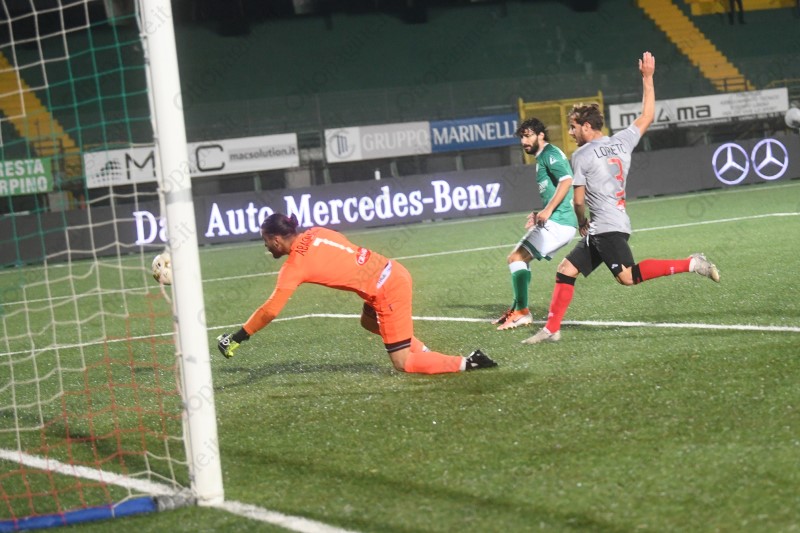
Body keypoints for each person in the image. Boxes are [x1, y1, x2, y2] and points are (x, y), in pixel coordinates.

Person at [522, 51, 720, 345]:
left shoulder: (581, 156)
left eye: (573, 127)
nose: (571, 132)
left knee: (627, 277)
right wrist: (648, 78)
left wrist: (581, 222)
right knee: (566, 270)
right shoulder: (621, 142)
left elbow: (578, 201)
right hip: (611, 223)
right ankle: (552, 329)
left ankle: (691, 263)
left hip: (605, 227)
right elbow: (647, 116)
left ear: (586, 126)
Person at [216, 213, 498, 373]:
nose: (266, 247)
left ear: (277, 239)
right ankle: (427, 352)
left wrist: (237, 337)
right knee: (369, 322)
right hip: (389, 271)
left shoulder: (294, 267)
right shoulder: (316, 232)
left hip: (387, 289)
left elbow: (270, 310)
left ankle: (469, 362)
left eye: (266, 241)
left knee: (402, 363)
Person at [492, 118, 578, 331]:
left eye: (528, 135)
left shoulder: (550, 153)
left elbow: (567, 180)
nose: (524, 141)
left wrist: (548, 211)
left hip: (560, 222)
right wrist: (541, 212)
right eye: (522, 137)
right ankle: (517, 308)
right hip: (558, 220)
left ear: (541, 135)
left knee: (515, 258)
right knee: (518, 260)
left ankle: (522, 312)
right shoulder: (542, 157)